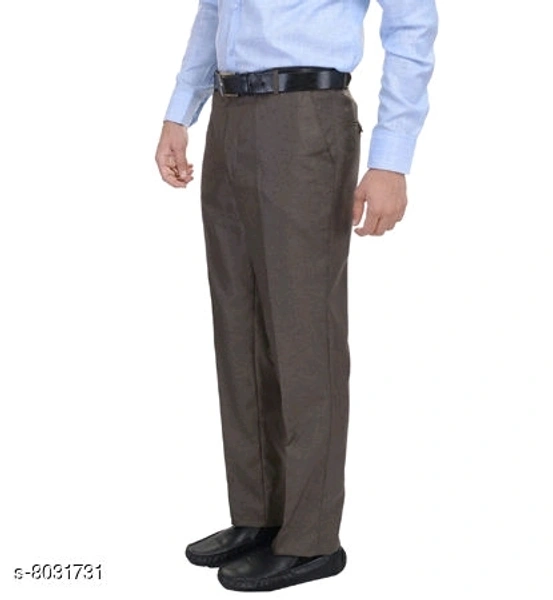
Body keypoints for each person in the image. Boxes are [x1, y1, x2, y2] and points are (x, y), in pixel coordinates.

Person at [155, 0, 438, 592]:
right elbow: (213, 12)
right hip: (229, 115)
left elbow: (412, 22)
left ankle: (312, 540)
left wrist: (391, 158)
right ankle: (259, 515)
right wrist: (180, 112)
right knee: (239, 327)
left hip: (306, 117)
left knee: (305, 335)